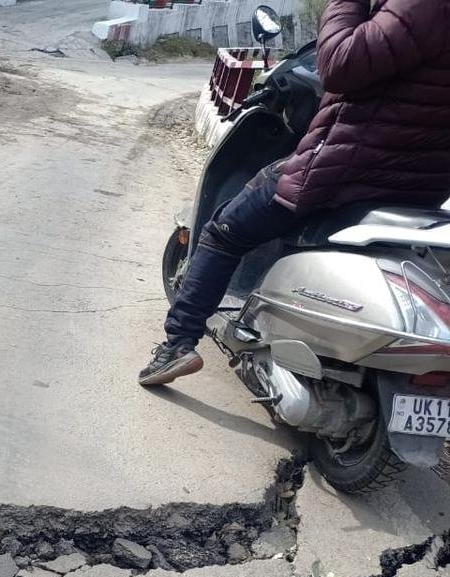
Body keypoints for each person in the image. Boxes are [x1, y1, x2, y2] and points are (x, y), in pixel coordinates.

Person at [138, 0, 450, 387]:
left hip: (347, 170)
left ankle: (177, 345)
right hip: (422, 185)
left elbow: (338, 63)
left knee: (224, 232)